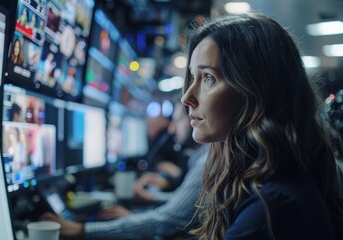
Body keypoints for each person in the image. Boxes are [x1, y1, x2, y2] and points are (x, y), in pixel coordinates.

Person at [180, 13, 343, 240]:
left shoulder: (273, 207)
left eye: (208, 78)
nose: (187, 97)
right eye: (192, 77)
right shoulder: (266, 186)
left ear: (255, 91)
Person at [41, 102, 209, 239]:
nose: (171, 129)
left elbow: (165, 221)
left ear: (195, 119)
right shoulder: (200, 160)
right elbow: (183, 204)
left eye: (177, 121)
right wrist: (151, 198)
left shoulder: (204, 164)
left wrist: (81, 230)